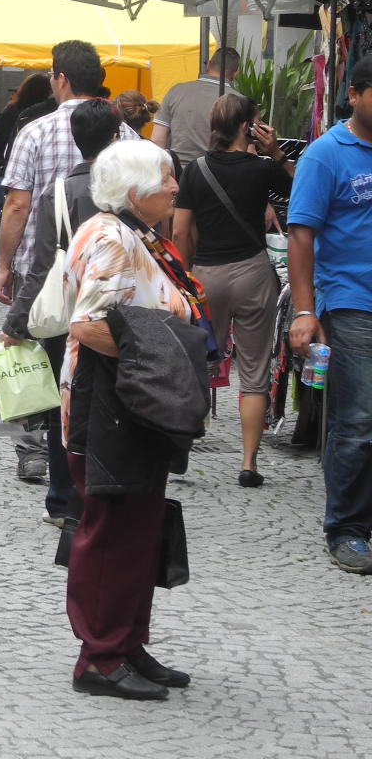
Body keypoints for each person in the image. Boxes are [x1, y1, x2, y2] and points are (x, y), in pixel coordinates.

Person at [62, 139, 201, 700]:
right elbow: (88, 324)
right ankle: (99, 658)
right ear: (136, 190)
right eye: (166, 177)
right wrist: (163, 361)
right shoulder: (113, 238)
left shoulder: (134, 233)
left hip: (133, 402)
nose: (175, 186)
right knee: (112, 532)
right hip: (110, 404)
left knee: (139, 529)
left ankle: (126, 643)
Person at [0, 42, 136, 494]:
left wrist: (3, 266)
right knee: (103, 379)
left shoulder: (35, 131)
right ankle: (98, 479)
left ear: (61, 79)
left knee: (50, 370)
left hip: (50, 276)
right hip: (115, 278)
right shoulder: (128, 135)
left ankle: (43, 463)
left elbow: (17, 204)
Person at [171, 93, 293, 490]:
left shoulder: (195, 170)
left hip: (207, 275)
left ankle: (179, 449)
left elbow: (179, 231)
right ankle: (248, 463)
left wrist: (186, 276)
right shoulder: (262, 169)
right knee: (255, 371)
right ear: (246, 127)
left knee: (197, 364)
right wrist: (275, 152)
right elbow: (300, 189)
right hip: (253, 272)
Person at [287, 53, 372, 575]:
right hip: (352, 302)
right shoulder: (326, 155)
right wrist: (304, 310)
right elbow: (301, 235)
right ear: (355, 95)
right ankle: (346, 528)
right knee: (358, 420)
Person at [0, 75, 52, 297]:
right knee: (7, 228)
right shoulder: (33, 116)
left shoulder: (10, 110)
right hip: (3, 175)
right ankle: (0, 278)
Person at [152, 47, 240, 170]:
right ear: (236, 74)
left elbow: (157, 139)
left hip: (177, 171)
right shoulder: (238, 101)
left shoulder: (176, 91)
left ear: (208, 64)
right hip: (215, 172)